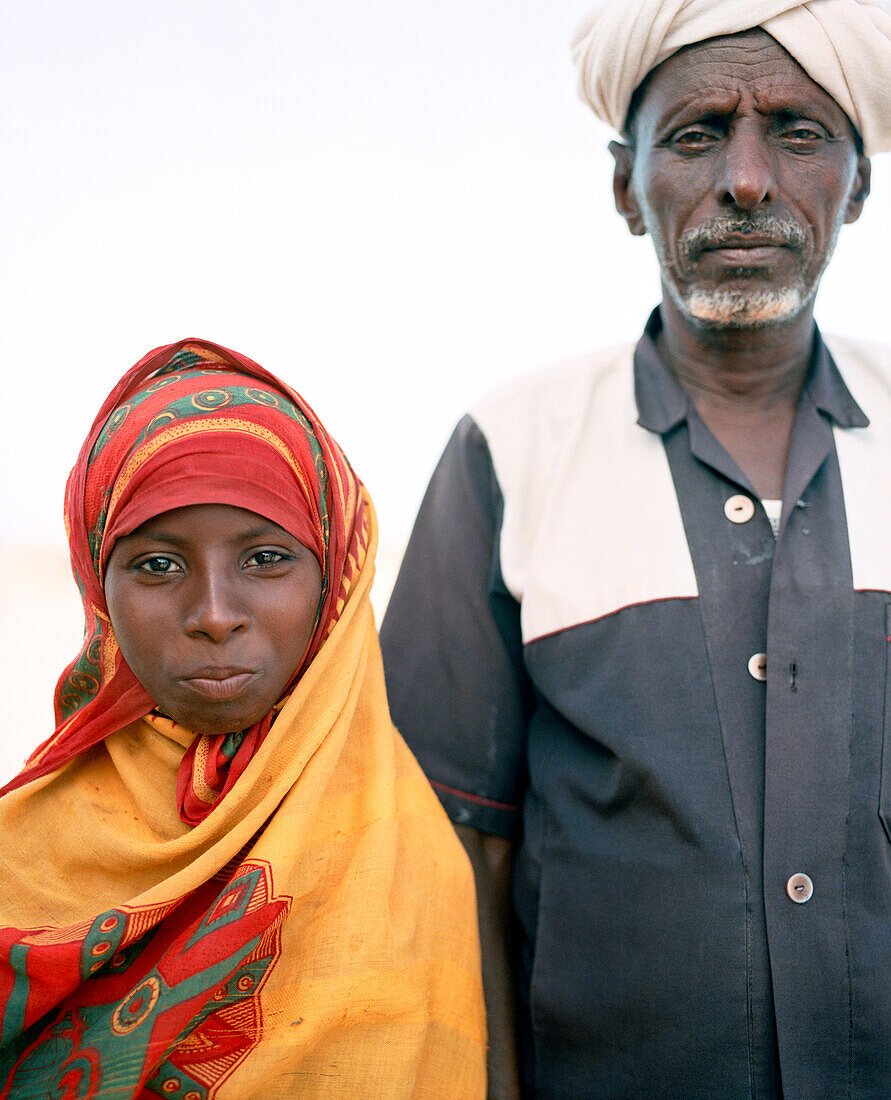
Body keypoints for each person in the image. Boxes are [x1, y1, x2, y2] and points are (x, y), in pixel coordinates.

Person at [379, 1, 891, 1096]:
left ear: (858, 182)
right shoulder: (510, 451)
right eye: (699, 133)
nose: (747, 178)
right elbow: (445, 848)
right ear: (626, 187)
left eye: (798, 132)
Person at [0, 338, 486, 1098]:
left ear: (335, 578)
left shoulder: (406, 866)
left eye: (265, 558)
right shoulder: (22, 852)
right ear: (98, 585)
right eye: (158, 564)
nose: (215, 615)